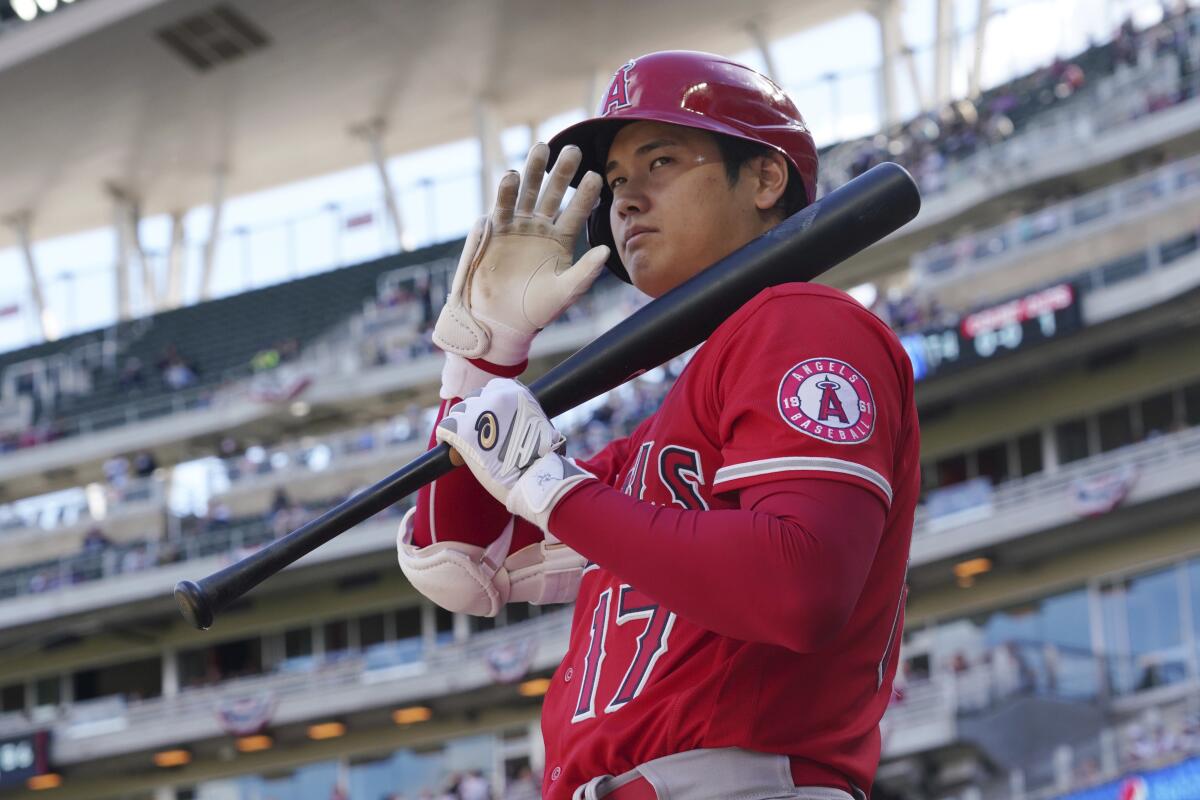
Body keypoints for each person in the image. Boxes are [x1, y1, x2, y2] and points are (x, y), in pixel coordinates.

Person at [396, 51, 919, 800]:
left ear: (766, 179)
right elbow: (464, 557)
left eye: (661, 161)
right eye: (615, 182)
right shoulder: (659, 433)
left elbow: (799, 582)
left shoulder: (803, 321)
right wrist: (485, 357)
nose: (626, 199)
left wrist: (555, 490)